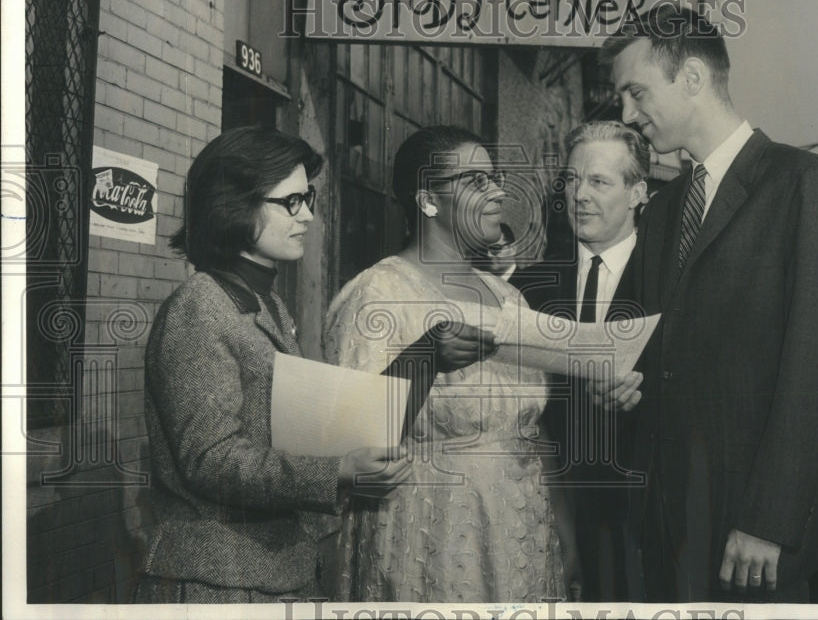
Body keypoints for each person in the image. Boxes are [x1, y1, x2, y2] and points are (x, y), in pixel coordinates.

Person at [596, 4, 818, 602]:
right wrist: (617, 381)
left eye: (636, 92)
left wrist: (769, 520)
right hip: (663, 526)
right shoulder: (664, 209)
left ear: (691, 77)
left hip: (751, 535)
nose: (626, 114)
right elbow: (638, 342)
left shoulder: (807, 185)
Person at [137, 127, 410, 603]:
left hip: (272, 571)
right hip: (219, 579)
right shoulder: (200, 307)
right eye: (291, 202)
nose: (307, 216)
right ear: (235, 204)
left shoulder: (266, 304)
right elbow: (211, 460)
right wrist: (337, 470)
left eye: (309, 199)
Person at [321, 125, 565, 602]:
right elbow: (347, 436)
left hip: (523, 526)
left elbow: (537, 428)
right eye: (475, 180)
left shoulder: (508, 296)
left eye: (494, 177)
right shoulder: (378, 294)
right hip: (433, 528)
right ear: (427, 199)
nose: (497, 192)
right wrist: (425, 359)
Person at [512, 120, 648, 601]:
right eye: (572, 180)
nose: (580, 195)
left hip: (647, 518)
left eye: (599, 182)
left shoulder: (673, 285)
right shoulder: (529, 289)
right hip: (551, 511)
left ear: (637, 193)